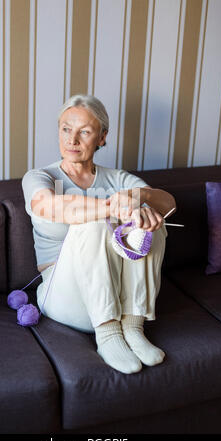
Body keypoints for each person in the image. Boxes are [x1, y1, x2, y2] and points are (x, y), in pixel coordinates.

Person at [22, 94, 176, 374]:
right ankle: (107, 335)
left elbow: (169, 204)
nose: (72, 140)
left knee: (153, 219)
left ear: (102, 138)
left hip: (119, 296)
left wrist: (139, 197)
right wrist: (113, 208)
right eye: (66, 129)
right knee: (94, 222)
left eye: (85, 131)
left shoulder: (118, 179)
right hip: (63, 294)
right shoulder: (39, 176)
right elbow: (48, 205)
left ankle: (132, 326)